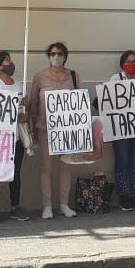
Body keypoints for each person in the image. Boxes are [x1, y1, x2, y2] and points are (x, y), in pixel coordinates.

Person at [28, 42, 81, 219]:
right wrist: (33, 127)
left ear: (65, 56)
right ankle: (47, 205)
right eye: (52, 53)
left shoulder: (73, 76)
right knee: (46, 167)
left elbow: (80, 101)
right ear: (48, 56)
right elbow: (33, 104)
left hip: (68, 128)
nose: (56, 56)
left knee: (66, 166)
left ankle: (64, 204)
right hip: (45, 127)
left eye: (59, 53)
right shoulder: (39, 76)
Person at [0, 51, 30, 225]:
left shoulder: (18, 85)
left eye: (10, 60)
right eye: (6, 61)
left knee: (15, 174)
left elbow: (22, 111)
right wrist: (15, 115)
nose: (11, 63)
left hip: (16, 137)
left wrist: (25, 110)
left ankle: (15, 207)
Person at [110, 50, 135, 211]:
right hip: (121, 129)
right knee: (122, 162)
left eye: (134, 61)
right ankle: (124, 196)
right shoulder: (115, 79)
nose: (131, 64)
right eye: (128, 61)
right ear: (122, 64)